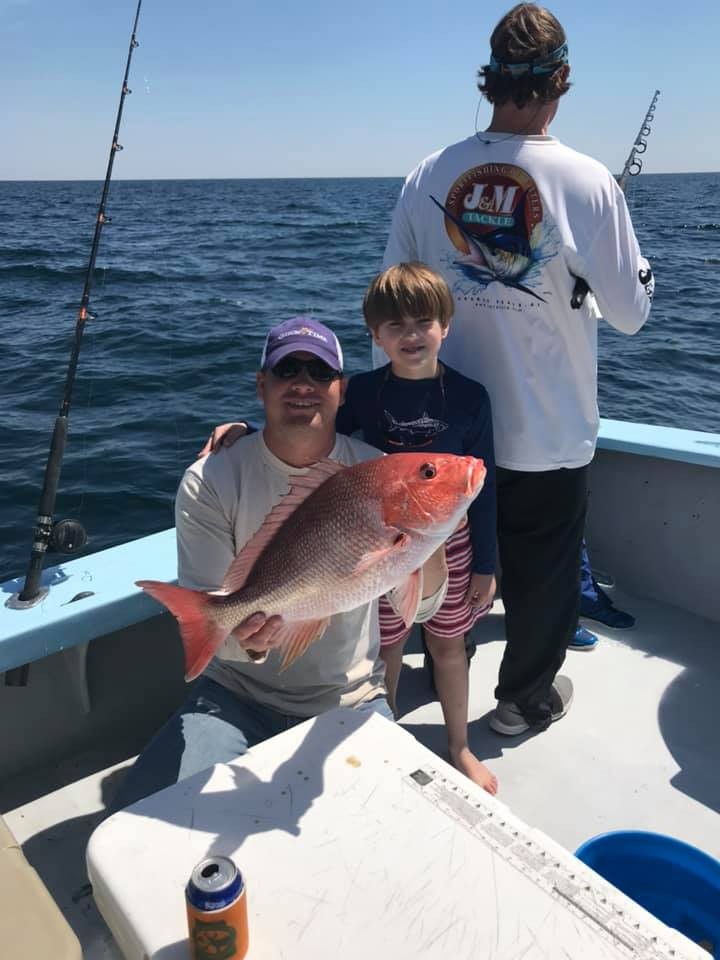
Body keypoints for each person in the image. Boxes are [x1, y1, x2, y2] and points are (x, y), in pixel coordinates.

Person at [378, 3, 653, 734]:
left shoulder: (427, 175)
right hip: (546, 439)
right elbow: (631, 314)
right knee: (544, 577)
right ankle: (521, 699)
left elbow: (389, 310)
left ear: (490, 78)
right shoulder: (592, 183)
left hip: (442, 433)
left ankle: (446, 668)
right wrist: (630, 276)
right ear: (561, 79)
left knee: (452, 564)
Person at [112, 318, 449, 811]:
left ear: (341, 389)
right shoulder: (210, 480)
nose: (303, 384)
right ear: (261, 384)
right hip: (234, 697)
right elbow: (218, 628)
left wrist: (431, 535)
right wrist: (243, 641)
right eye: (288, 368)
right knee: (150, 828)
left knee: (385, 831)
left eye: (320, 373)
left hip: (349, 699)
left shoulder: (376, 472)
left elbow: (423, 610)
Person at [335, 262, 498, 793]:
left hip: (451, 551)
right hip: (387, 551)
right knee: (387, 648)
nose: (410, 335)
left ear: (445, 326)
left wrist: (486, 564)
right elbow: (309, 439)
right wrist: (245, 429)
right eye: (395, 325)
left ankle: (460, 745)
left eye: (423, 321)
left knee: (449, 647)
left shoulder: (472, 397)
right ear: (375, 336)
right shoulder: (359, 393)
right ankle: (389, 736)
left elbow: (484, 488)